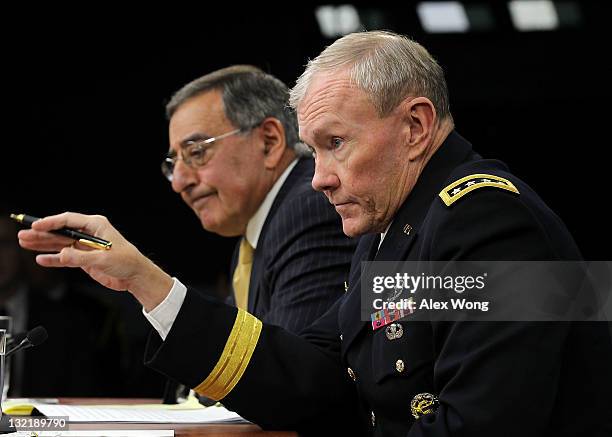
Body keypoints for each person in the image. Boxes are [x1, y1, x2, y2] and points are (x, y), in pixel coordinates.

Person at [17, 31, 612, 436]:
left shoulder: (486, 217)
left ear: (415, 126)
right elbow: (311, 375)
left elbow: (481, 427)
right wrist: (147, 283)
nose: (319, 180)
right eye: (314, 150)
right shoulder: (395, 227)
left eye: (334, 144)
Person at [159, 65, 355, 334]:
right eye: (173, 163)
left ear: (269, 141)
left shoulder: (309, 209)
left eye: (196, 152)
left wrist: (147, 283)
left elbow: (288, 368)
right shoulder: (252, 240)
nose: (180, 182)